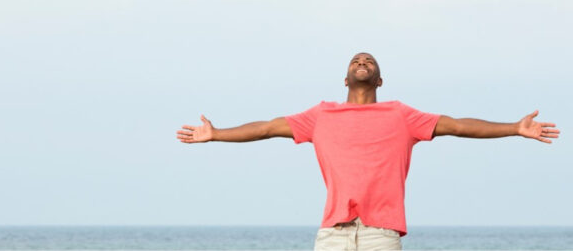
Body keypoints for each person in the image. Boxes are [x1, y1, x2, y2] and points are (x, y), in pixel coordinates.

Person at [176, 52, 560, 251]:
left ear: (379, 78)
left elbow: (458, 125)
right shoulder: (320, 115)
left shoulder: (401, 115)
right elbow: (264, 128)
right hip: (332, 234)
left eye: (369, 61)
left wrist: (514, 128)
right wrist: (216, 134)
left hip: (381, 233)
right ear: (346, 77)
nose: (362, 62)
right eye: (356, 60)